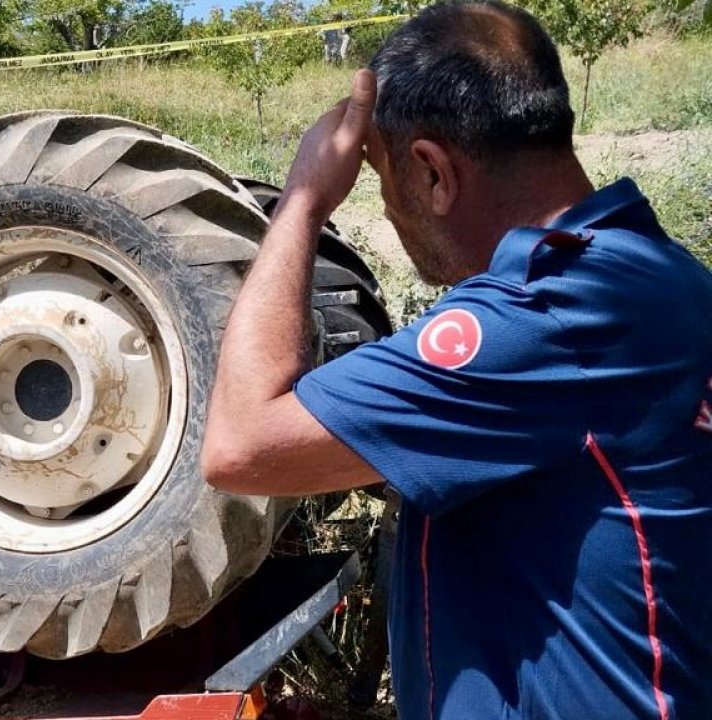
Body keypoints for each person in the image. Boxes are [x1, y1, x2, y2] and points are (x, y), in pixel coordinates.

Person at [202, 2, 712, 718]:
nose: (382, 210)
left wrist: (304, 201)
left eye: (377, 177)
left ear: (433, 172)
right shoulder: (661, 275)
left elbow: (241, 446)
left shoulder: (540, 320)